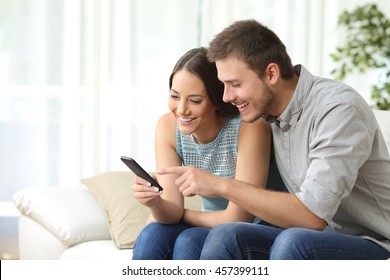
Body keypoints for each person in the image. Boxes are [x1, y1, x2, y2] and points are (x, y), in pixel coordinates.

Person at [158, 20, 390, 260]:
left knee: (294, 241)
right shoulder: (266, 113)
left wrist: (219, 185)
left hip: (375, 242)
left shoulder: (338, 109)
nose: (226, 97)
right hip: (317, 234)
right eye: (224, 85)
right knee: (221, 235)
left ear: (271, 73)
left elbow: (312, 216)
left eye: (235, 84)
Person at [131, 47, 272, 260]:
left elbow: (238, 217)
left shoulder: (249, 128)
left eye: (195, 101)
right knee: (152, 234)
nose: (181, 110)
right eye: (175, 96)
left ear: (217, 99)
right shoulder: (168, 127)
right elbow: (169, 212)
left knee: (189, 240)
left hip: (257, 228)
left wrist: (181, 214)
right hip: (211, 224)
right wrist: (156, 204)